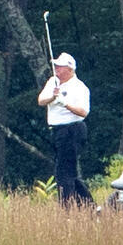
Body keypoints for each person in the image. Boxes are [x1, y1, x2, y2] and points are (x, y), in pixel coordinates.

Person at [37, 52, 95, 207]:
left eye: (60, 66)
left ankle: (67, 207)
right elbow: (41, 101)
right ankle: (90, 206)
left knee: (63, 173)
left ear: (69, 69)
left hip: (72, 130)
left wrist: (65, 103)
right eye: (56, 65)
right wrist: (53, 96)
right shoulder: (53, 82)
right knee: (68, 171)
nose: (56, 68)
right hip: (57, 132)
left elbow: (83, 112)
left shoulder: (80, 87)